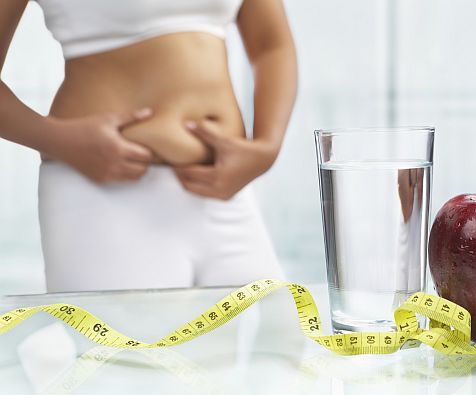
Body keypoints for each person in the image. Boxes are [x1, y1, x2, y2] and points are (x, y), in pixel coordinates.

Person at [0, 0, 297, 292]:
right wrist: (59, 140)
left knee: (278, 338)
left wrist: (267, 147)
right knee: (122, 341)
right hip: (104, 195)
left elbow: (271, 46)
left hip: (224, 191)